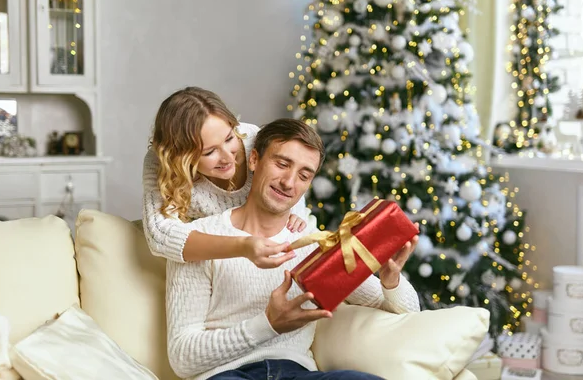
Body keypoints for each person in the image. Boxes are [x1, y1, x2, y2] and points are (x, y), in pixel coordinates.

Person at [166, 118, 421, 380]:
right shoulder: (200, 240)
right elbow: (182, 359)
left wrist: (391, 282)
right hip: (227, 375)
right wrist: (268, 325)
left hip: (297, 373)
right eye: (282, 164)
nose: (289, 182)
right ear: (254, 160)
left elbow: (409, 314)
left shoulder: (316, 245)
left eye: (304, 175)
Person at [142, 87, 308, 267]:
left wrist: (295, 212)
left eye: (229, 139)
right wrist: (243, 246)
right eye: (210, 152)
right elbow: (160, 236)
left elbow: (295, 171)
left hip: (273, 242)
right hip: (218, 257)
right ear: (180, 157)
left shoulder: (252, 138)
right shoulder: (161, 164)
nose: (229, 157)